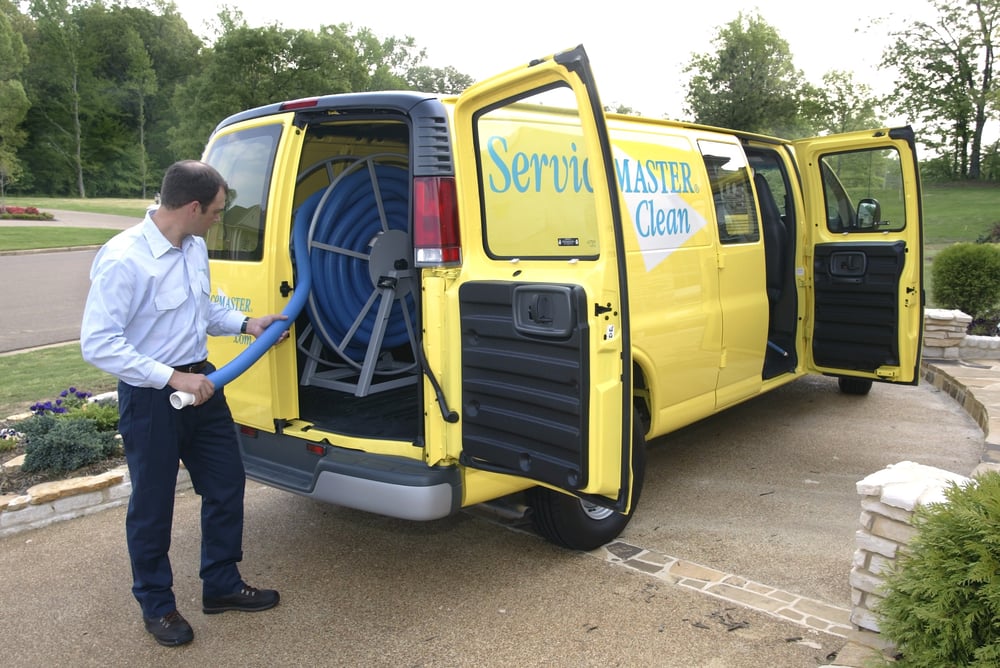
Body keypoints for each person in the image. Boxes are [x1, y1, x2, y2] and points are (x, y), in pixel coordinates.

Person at [81, 160, 288, 647]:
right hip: (153, 397)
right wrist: (170, 376)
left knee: (225, 484)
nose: (219, 218)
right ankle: (158, 606)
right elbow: (99, 343)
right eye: (216, 210)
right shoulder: (124, 257)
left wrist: (245, 324)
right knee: (152, 506)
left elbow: (204, 308)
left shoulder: (193, 247)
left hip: (202, 387)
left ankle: (220, 584)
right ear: (193, 207)